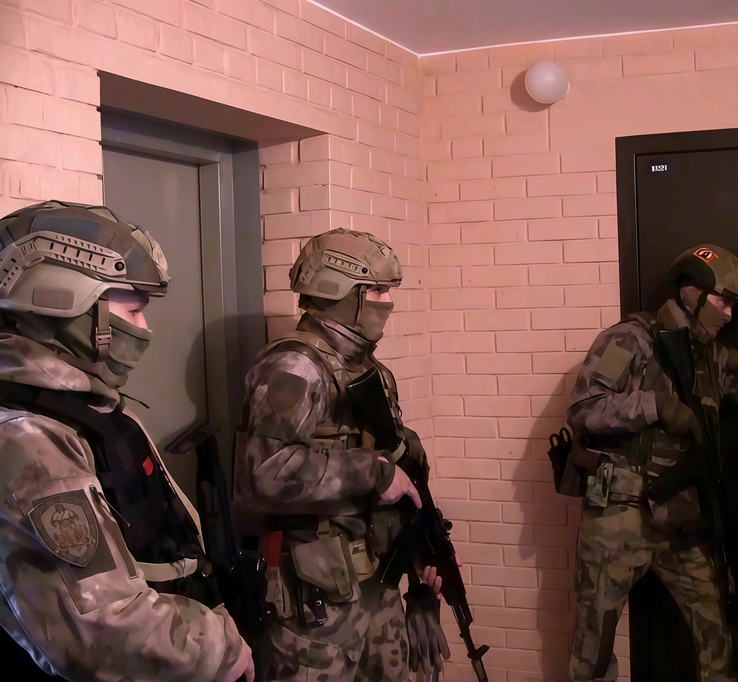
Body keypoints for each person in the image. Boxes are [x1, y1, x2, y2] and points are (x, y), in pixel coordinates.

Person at [0, 201, 253, 681]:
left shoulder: (90, 407)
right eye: (133, 310)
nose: (144, 329)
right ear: (65, 303)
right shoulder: (28, 438)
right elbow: (101, 629)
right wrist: (219, 648)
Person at [566, 244, 738, 682]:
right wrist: (655, 405)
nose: (730, 314)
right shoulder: (631, 339)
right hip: (619, 515)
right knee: (592, 651)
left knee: (720, 637)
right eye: (724, 301)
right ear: (692, 292)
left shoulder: (710, 356)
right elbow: (584, 407)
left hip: (681, 515)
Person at [233, 228, 450, 681]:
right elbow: (264, 475)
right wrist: (372, 472)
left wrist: (421, 556)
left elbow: (397, 468)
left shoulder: (370, 370)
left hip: (377, 584)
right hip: (315, 604)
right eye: (377, 290)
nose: (387, 302)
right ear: (340, 292)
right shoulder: (293, 367)